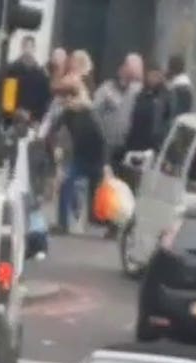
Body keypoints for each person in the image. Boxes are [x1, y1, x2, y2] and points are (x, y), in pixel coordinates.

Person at [57, 90, 110, 232]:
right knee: (66, 184)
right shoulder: (67, 115)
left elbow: (102, 141)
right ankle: (62, 224)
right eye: (67, 98)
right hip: (79, 158)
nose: (69, 101)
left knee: (102, 195)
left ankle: (112, 226)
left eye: (73, 97)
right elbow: (56, 129)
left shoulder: (91, 116)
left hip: (96, 160)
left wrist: (105, 165)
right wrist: (58, 148)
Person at [93, 55, 141, 165]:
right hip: (105, 144)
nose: (127, 78)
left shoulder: (135, 91)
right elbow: (93, 112)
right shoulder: (106, 89)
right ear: (120, 70)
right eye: (125, 73)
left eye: (130, 76)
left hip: (125, 146)